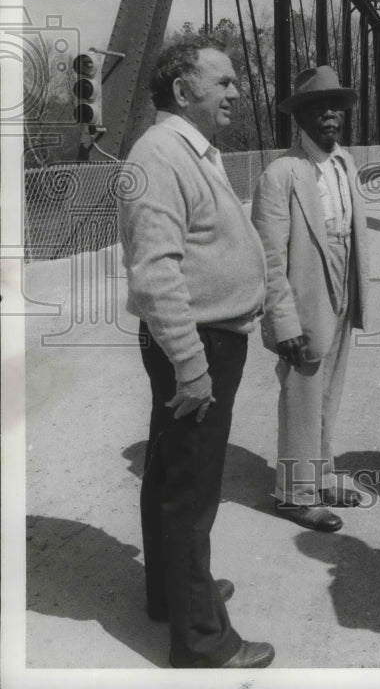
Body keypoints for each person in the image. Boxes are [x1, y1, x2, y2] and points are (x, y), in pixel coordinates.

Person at [118, 35, 275, 669]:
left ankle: (174, 595)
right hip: (198, 343)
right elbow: (156, 273)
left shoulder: (187, 150)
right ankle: (204, 640)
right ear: (184, 93)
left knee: (169, 477)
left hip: (206, 337)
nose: (238, 91)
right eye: (225, 82)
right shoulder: (161, 155)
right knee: (191, 489)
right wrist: (191, 365)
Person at [251, 65, 370, 534]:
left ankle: (321, 476)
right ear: (300, 117)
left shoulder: (345, 163)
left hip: (344, 283)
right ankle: (296, 494)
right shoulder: (282, 173)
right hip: (305, 287)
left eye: (335, 109)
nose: (330, 118)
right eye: (318, 109)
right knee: (303, 386)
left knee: (330, 387)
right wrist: (283, 323)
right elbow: (268, 258)